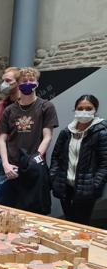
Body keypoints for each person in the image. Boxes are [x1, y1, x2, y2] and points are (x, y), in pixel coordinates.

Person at [0, 67, 58, 214]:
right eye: (24, 81)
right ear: (18, 84)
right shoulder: (10, 110)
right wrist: (5, 164)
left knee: (35, 213)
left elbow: (47, 136)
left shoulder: (46, 106)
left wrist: (36, 157)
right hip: (12, 168)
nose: (28, 83)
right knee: (9, 212)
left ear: (37, 83)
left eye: (32, 80)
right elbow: (2, 139)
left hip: (34, 167)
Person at [50, 95, 107, 225]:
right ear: (75, 110)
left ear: (95, 110)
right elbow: (56, 158)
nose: (84, 111)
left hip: (87, 188)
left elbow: (105, 164)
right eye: (80, 108)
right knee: (68, 223)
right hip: (65, 186)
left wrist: (95, 184)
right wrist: (54, 177)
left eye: (88, 108)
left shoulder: (101, 132)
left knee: (81, 225)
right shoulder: (66, 132)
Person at [0, 67, 20, 204]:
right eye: (3, 81)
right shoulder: (2, 105)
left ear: (19, 82)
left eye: (8, 81)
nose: (4, 84)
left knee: (11, 203)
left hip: (15, 160)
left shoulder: (25, 106)